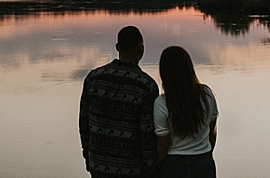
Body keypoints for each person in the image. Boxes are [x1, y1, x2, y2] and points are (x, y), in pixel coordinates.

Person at [79, 26, 159, 178]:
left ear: (117, 47)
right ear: (141, 50)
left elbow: (84, 123)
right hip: (132, 168)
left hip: (98, 164)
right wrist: (152, 169)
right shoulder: (146, 85)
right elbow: (146, 134)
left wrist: (88, 157)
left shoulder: (94, 78)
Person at [154, 46, 218, 178]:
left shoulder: (162, 103)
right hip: (204, 161)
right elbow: (211, 130)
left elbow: (163, 144)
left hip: (173, 164)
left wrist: (154, 167)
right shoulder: (207, 95)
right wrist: (205, 152)